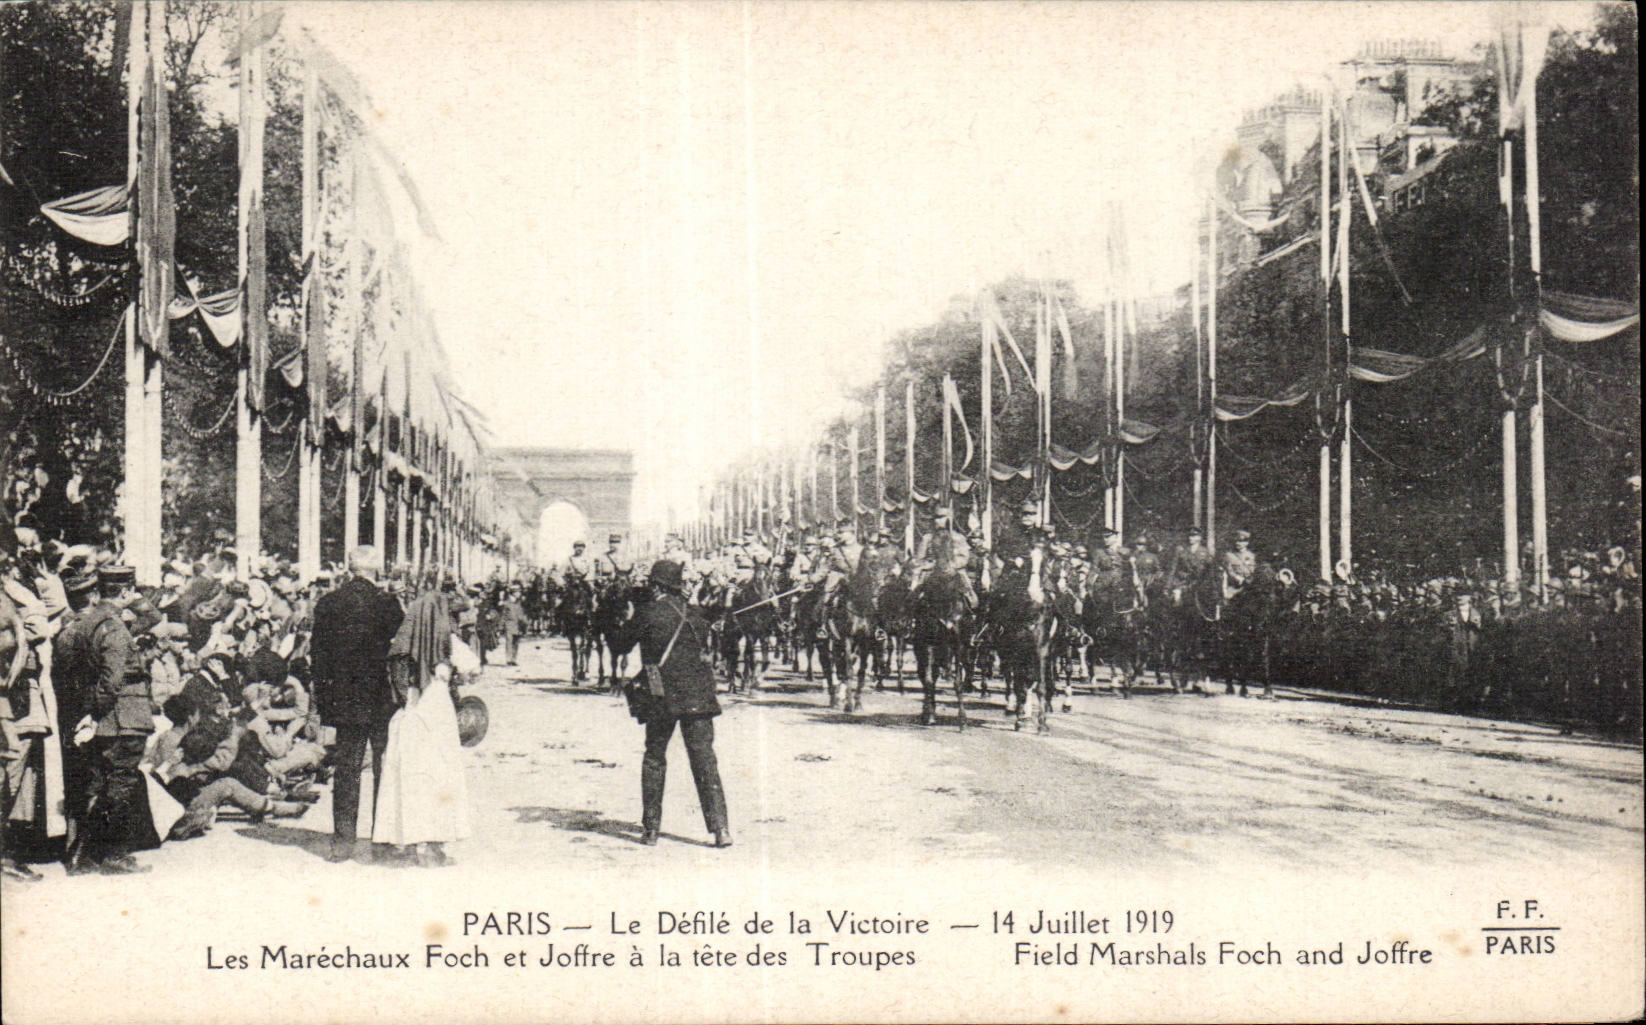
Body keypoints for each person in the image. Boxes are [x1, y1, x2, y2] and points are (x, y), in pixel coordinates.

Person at [608, 559, 729, 848]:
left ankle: (651, 829)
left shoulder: (648, 613)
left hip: (661, 697)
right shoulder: (696, 614)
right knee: (704, 760)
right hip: (699, 696)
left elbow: (619, 645)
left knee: (654, 757)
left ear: (656, 586)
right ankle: (721, 829)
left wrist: (621, 616)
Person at [53, 563, 157, 875]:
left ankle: (84, 856)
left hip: (107, 716)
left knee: (100, 785)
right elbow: (112, 680)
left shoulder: (88, 623)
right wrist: (94, 712)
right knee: (120, 786)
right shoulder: (113, 626)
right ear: (125, 591)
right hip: (123, 715)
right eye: (131, 590)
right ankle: (109, 855)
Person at [308, 545, 404, 864]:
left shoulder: (329, 603)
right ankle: (381, 839)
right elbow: (400, 654)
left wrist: (323, 704)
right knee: (382, 766)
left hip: (345, 700)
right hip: (380, 699)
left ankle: (342, 840)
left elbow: (318, 659)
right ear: (376, 569)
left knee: (346, 768)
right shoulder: (387, 605)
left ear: (349, 568)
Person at [374, 585, 470, 867]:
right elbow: (473, 669)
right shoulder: (449, 642)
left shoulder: (402, 644)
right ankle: (434, 844)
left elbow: (397, 679)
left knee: (408, 778)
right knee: (439, 778)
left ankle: (410, 841)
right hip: (437, 714)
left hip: (410, 715)